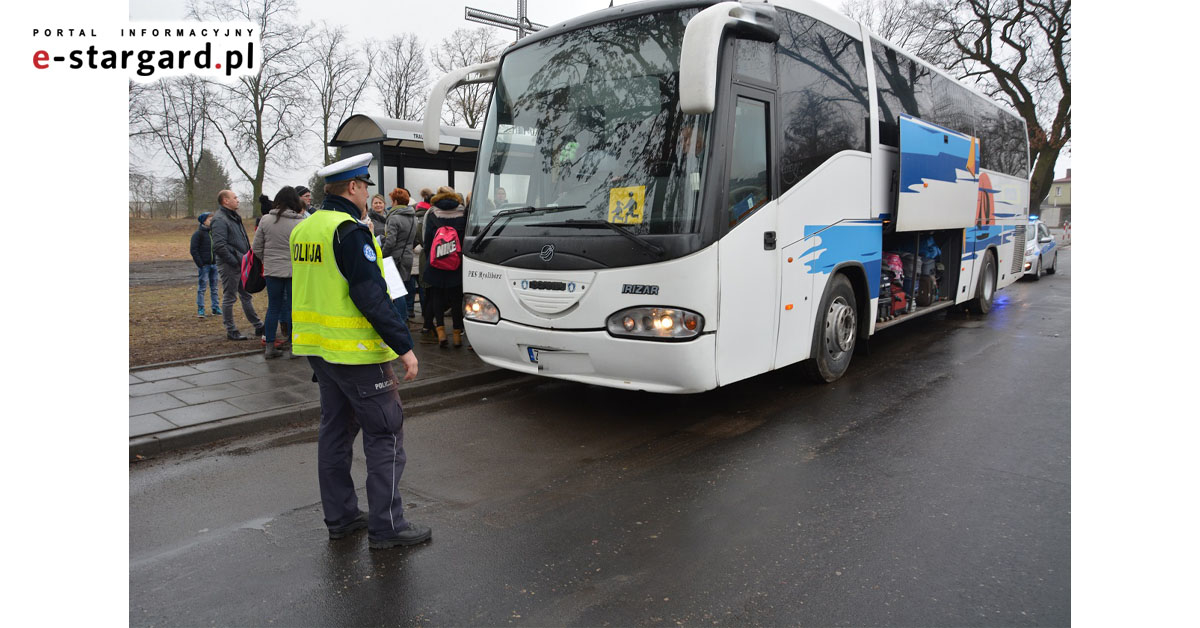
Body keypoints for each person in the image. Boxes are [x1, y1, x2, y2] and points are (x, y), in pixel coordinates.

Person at [289, 152, 430, 550]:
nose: (369, 193)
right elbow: (369, 294)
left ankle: (342, 517)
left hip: (318, 350)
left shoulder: (308, 228)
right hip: (355, 353)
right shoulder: (348, 231)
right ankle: (387, 528)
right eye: (366, 186)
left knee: (334, 433)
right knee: (385, 435)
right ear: (353, 187)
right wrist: (404, 345)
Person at [252, 186, 306, 358]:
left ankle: (269, 346)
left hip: (271, 270)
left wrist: (267, 260)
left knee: (273, 307)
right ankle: (293, 346)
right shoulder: (301, 223)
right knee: (292, 308)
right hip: (294, 272)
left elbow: (256, 248)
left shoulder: (266, 220)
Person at [210, 190, 264, 341]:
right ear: (225, 201)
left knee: (246, 294)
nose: (238, 200)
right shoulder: (220, 219)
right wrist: (235, 262)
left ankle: (258, 325)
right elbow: (219, 246)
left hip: (241, 263)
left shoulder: (233, 217)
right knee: (230, 297)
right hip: (230, 265)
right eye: (234, 198)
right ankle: (231, 329)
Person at [421, 186, 467, 348]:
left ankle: (441, 333)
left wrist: (431, 258)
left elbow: (426, 240)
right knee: (456, 299)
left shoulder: (432, 213)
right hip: (456, 262)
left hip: (436, 263)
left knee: (437, 298)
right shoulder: (462, 213)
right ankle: (456, 335)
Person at [381, 188, 419, 321]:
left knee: (396, 292)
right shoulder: (413, 218)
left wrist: (381, 255)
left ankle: (401, 319)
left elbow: (390, 242)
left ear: (396, 201)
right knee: (403, 288)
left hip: (395, 259)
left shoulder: (394, 218)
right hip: (408, 256)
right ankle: (405, 316)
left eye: (392, 200)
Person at [190, 212, 221, 318]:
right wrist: (201, 264)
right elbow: (194, 250)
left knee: (214, 287)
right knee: (202, 288)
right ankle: (201, 308)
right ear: (204, 221)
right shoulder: (198, 234)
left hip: (214, 264)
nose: (212, 221)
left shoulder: (213, 233)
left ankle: (215, 307)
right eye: (210, 220)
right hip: (204, 266)